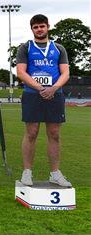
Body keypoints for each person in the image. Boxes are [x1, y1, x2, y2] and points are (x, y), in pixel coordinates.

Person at [16, 14, 71, 187]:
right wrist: (40, 88)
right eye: (36, 27)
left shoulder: (58, 48)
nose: (39, 29)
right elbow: (21, 72)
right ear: (32, 29)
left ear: (48, 27)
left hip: (55, 95)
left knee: (54, 133)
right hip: (33, 94)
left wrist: (53, 88)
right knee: (31, 133)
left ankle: (55, 173)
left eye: (42, 26)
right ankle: (27, 173)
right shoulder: (25, 48)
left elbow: (65, 73)